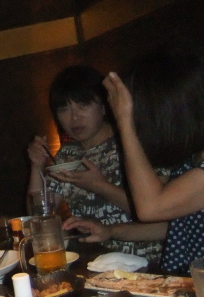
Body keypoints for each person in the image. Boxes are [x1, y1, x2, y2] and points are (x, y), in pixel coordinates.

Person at [27, 65, 166, 262]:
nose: (74, 117)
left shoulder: (133, 144)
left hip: (146, 260)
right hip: (95, 261)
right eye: (64, 109)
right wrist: (36, 165)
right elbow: (41, 215)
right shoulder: (67, 153)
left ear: (104, 106)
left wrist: (100, 186)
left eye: (83, 105)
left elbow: (160, 211)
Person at [102, 40, 204, 275]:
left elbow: (151, 207)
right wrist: (111, 231)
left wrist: (124, 121)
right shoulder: (194, 157)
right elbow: (177, 223)